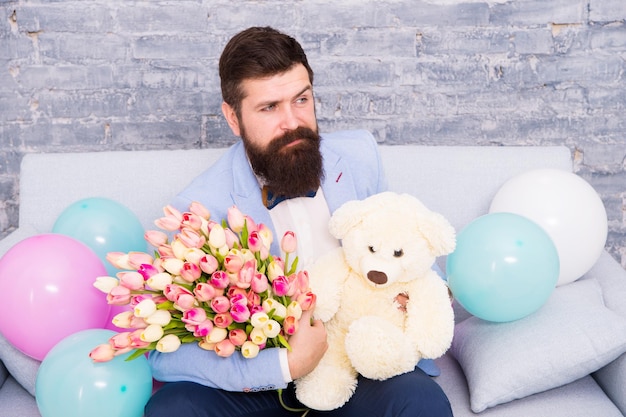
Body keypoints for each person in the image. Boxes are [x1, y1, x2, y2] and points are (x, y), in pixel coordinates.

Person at [144, 26, 453, 417]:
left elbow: (407, 247)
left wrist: (424, 298)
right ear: (233, 117)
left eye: (301, 99)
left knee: (420, 401)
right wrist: (284, 366)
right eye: (269, 107)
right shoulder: (201, 207)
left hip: (356, 367)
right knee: (174, 409)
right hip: (260, 387)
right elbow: (162, 356)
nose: (292, 122)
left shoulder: (360, 157)